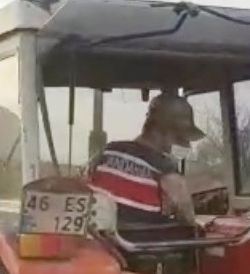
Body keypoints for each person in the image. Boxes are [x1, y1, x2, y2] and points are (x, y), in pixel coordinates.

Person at [87, 92, 205, 227]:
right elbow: (187, 217)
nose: (184, 144)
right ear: (163, 132)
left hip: (100, 241)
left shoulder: (108, 151)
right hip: (141, 243)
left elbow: (87, 183)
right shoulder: (166, 170)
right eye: (180, 137)